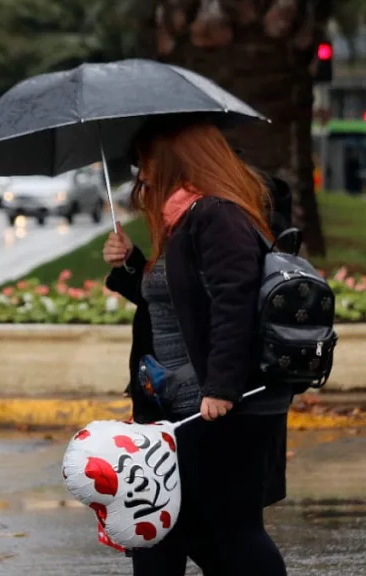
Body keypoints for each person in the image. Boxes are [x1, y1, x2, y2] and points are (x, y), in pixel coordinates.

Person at [103, 120, 290, 576]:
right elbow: (184, 303)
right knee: (163, 528)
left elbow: (235, 303)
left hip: (216, 408)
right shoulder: (185, 217)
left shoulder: (216, 215)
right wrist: (132, 265)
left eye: (145, 163)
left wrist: (221, 388)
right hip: (181, 403)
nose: (140, 177)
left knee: (228, 531)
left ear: (173, 161)